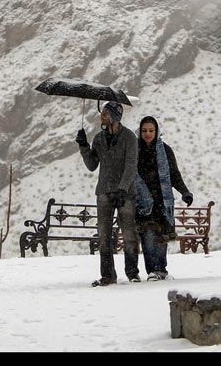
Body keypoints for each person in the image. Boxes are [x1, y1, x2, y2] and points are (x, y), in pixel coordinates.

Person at [76, 101, 140, 287]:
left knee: (128, 234)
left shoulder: (129, 138)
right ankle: (107, 275)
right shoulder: (98, 138)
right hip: (104, 192)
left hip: (125, 194)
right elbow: (92, 165)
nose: (101, 116)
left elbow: (130, 165)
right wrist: (83, 146)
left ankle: (132, 273)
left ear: (114, 116)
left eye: (105, 113)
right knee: (103, 235)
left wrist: (123, 188)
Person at [135, 116, 193, 281]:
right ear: (140, 131)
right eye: (144, 130)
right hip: (143, 201)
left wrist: (184, 191)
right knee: (148, 237)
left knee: (162, 237)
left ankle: (162, 269)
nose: (148, 134)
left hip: (162, 200)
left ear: (157, 131)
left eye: (151, 130)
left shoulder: (165, 150)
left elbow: (174, 174)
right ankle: (152, 270)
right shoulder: (135, 150)